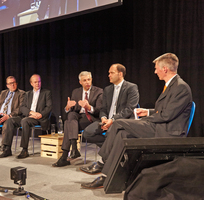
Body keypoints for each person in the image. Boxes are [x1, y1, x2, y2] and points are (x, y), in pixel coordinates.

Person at [80, 53, 193, 189]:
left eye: (156, 68)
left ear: (165, 69)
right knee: (122, 135)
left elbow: (167, 115)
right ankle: (107, 176)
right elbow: (166, 110)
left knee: (118, 123)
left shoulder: (181, 87)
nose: (155, 71)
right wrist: (148, 111)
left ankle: (104, 161)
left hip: (167, 131)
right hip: (160, 125)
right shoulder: (171, 85)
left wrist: (148, 117)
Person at [79, 64, 139, 174]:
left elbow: (129, 109)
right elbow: (103, 108)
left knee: (109, 134)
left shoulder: (131, 87)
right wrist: (103, 118)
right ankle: (113, 154)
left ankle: (103, 163)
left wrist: (113, 120)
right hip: (107, 120)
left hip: (121, 122)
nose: (109, 75)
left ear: (120, 74)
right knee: (87, 133)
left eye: (111, 72)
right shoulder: (107, 89)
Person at [52, 71, 103, 167]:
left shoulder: (99, 92)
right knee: (70, 115)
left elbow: (99, 111)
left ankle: (66, 155)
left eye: (89, 79)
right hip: (77, 118)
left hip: (90, 118)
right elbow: (72, 109)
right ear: (80, 82)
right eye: (85, 80)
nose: (87, 82)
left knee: (68, 123)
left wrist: (89, 107)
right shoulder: (76, 92)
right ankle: (74, 149)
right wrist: (67, 107)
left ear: (91, 79)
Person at [0, 74, 52, 159]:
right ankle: (7, 148)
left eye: (39, 81)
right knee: (10, 120)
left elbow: (49, 107)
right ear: (31, 83)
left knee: (25, 121)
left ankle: (24, 150)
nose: (37, 84)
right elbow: (22, 107)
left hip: (39, 118)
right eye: (35, 82)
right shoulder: (28, 94)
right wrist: (31, 112)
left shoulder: (46, 93)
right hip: (28, 116)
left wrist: (40, 114)